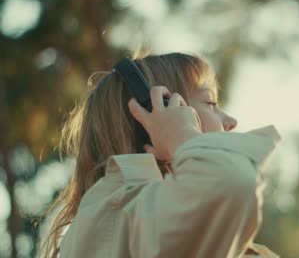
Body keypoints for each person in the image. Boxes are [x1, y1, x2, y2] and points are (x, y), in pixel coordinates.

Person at [41, 52, 281, 257]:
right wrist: (182, 135)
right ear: (153, 116)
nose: (231, 121)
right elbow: (232, 183)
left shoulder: (145, 217)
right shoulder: (117, 218)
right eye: (210, 103)